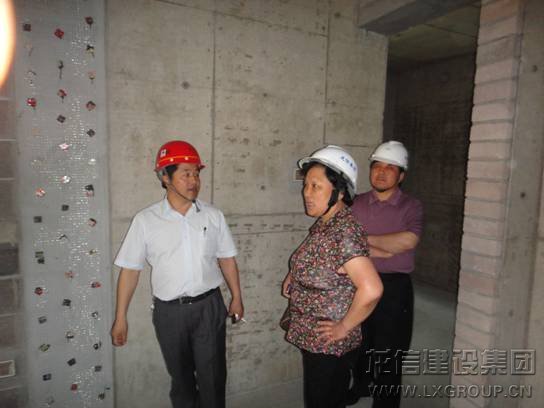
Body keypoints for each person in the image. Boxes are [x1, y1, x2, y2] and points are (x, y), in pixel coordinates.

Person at [110, 140, 244, 408]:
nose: (194, 181)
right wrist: (121, 318)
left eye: (196, 174)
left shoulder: (213, 216)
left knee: (213, 380)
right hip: (169, 313)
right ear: (165, 177)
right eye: (186, 174)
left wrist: (237, 297)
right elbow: (130, 271)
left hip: (209, 308)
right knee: (181, 383)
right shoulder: (146, 220)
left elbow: (227, 259)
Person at [282, 145, 383, 408]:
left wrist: (344, 326)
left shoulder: (344, 231)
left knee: (323, 402)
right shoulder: (326, 223)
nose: (307, 193)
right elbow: (321, 261)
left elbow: (372, 289)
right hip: (314, 339)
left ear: (339, 191)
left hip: (328, 343)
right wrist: (295, 275)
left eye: (316, 186)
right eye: (306, 185)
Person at [347, 140, 423, 407]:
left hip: (394, 288)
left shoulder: (411, 206)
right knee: (359, 343)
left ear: (401, 175)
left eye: (390, 168)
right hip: (357, 282)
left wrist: (362, 240)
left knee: (390, 353)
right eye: (377, 166)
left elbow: (408, 241)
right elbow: (344, 240)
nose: (381, 172)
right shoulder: (355, 203)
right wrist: (383, 248)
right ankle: (361, 386)